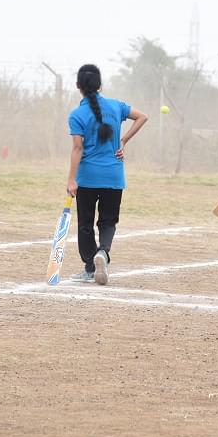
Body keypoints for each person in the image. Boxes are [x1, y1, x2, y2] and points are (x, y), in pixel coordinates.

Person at [66, 64, 148, 285]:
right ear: (100, 85)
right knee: (108, 221)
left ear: (78, 86)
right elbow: (142, 117)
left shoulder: (77, 115)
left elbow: (77, 148)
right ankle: (103, 252)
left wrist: (71, 179)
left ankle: (91, 267)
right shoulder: (116, 106)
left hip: (88, 177)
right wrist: (124, 140)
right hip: (114, 176)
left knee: (85, 223)